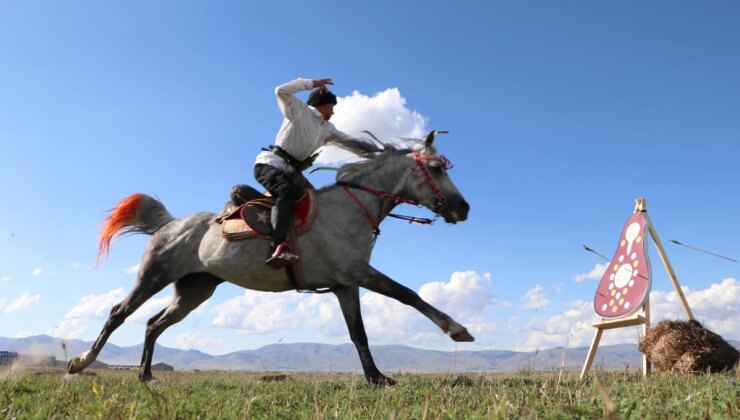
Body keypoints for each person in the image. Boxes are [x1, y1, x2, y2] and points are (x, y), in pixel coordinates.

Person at [254, 77, 379, 268]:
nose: (334, 111)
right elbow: (280, 91)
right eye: (332, 107)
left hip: (291, 172)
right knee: (286, 190)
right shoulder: (298, 110)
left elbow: (352, 144)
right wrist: (311, 83)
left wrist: (383, 153)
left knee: (317, 203)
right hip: (270, 165)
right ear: (323, 104)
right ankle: (277, 246)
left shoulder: (327, 129)